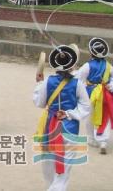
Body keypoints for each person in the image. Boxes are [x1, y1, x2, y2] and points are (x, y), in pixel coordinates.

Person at [34, 44, 90, 190]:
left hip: (50, 126)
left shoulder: (47, 82)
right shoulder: (78, 84)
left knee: (48, 160)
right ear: (72, 65)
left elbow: (39, 103)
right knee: (65, 166)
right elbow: (86, 106)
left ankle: (51, 186)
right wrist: (69, 114)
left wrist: (39, 83)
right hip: (69, 128)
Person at [76, 37, 113, 154]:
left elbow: (78, 79)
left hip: (90, 94)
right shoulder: (109, 66)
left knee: (90, 117)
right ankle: (103, 141)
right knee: (105, 117)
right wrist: (110, 87)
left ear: (91, 52)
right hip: (105, 94)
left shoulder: (88, 65)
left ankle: (91, 139)